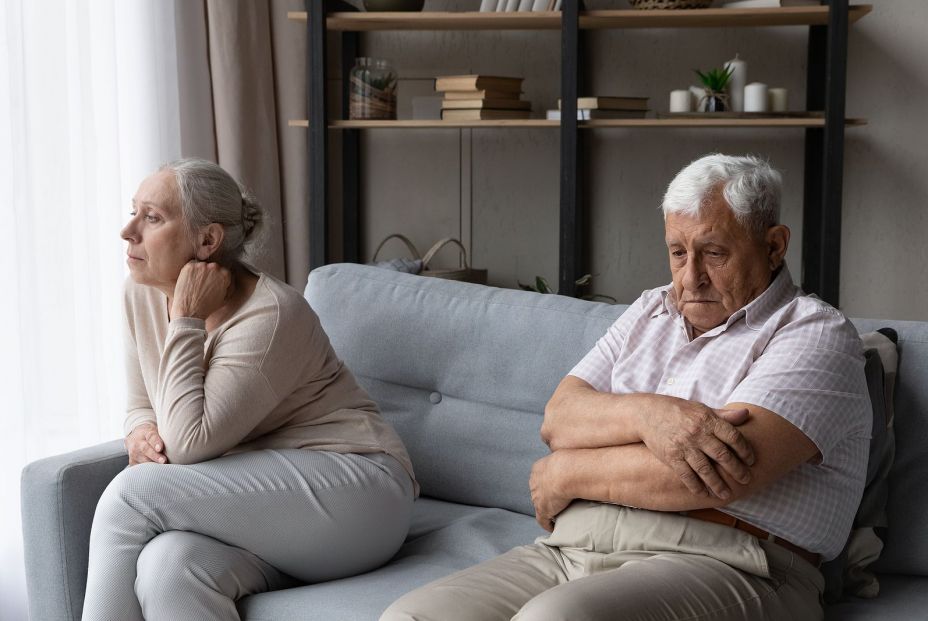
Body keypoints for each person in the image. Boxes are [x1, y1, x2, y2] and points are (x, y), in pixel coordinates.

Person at [381, 154, 871, 621]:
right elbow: (561, 418)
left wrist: (566, 473)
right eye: (678, 253)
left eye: (714, 253)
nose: (690, 276)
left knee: (554, 619)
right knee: (409, 616)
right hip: (576, 546)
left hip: (733, 562)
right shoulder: (650, 311)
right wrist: (650, 416)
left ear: (774, 246)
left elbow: (719, 473)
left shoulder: (813, 332)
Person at [82, 158, 417, 621]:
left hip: (360, 492)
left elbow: (186, 445)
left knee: (131, 495)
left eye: (152, 217)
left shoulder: (273, 314)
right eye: (133, 211)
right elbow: (142, 401)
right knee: (170, 567)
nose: (128, 231)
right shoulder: (138, 291)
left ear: (207, 240)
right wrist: (139, 429)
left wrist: (186, 319)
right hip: (264, 504)